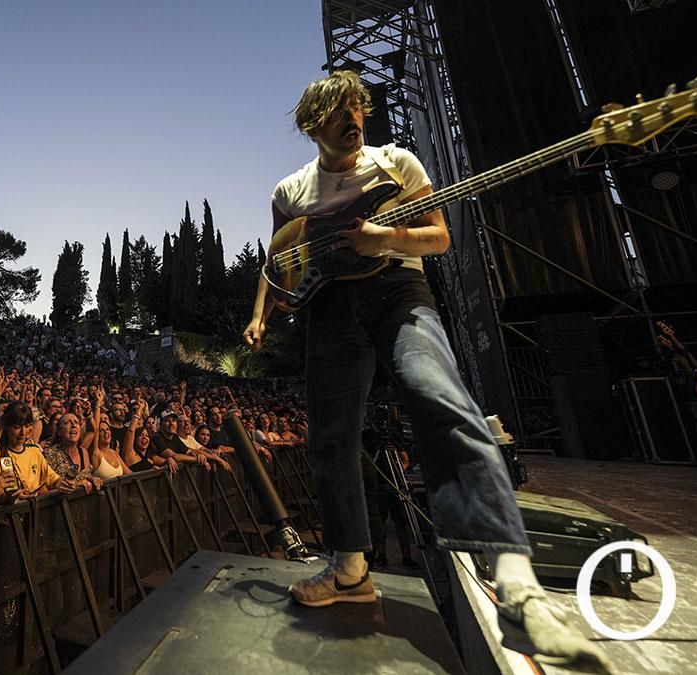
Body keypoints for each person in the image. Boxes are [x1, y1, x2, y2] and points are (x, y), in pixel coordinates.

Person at [244, 71, 609, 668]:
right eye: (339, 110)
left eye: (358, 106)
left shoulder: (396, 164)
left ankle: (515, 583)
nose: (355, 116)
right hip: (332, 310)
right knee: (331, 438)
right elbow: (277, 259)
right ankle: (350, 568)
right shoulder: (290, 190)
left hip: (397, 289)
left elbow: (437, 239)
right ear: (313, 124)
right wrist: (269, 308)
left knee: (437, 395)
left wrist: (383, 236)